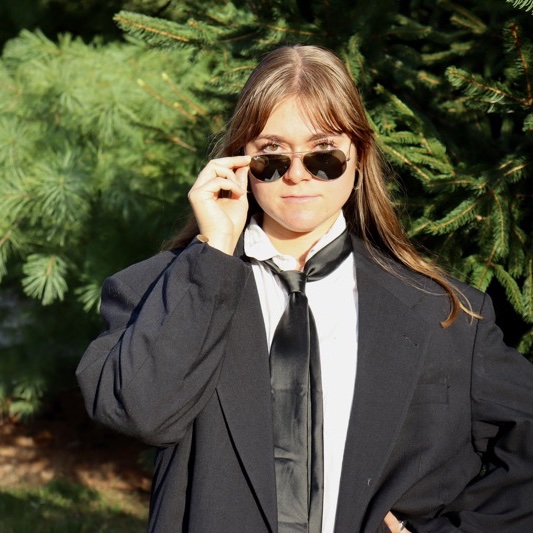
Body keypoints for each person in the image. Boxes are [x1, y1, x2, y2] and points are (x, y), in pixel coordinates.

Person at [76, 45, 533, 533]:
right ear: (239, 162)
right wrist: (212, 257)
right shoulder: (164, 290)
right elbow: (140, 414)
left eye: (324, 154)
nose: (296, 174)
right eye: (271, 155)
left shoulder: (444, 315)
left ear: (358, 159)